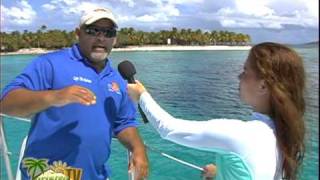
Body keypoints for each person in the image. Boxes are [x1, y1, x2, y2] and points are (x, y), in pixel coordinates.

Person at [0, 8, 148, 180]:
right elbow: (6, 102)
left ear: (114, 38)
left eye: (108, 32)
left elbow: (124, 123)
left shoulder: (116, 80)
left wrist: (138, 149)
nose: (101, 38)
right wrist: (54, 97)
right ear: (78, 33)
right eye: (93, 30)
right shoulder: (50, 64)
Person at [127, 42, 306, 180]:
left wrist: (141, 96)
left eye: (245, 71)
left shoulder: (243, 135)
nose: (239, 77)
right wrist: (221, 173)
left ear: (263, 85)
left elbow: (168, 128)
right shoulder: (286, 135)